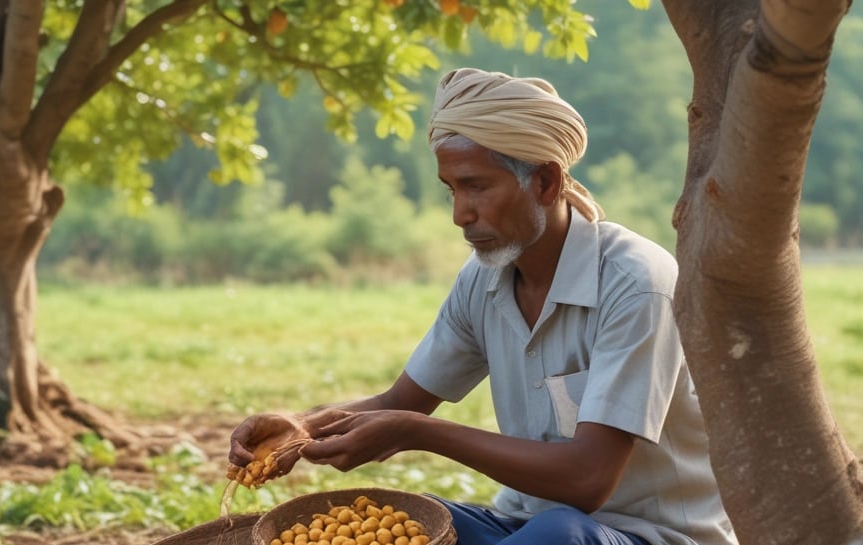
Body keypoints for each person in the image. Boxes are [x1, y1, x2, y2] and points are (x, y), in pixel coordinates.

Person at [229, 67, 738, 545]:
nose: (459, 214)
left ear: (545, 182)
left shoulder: (636, 281)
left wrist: (419, 433)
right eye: (451, 189)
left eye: (476, 186)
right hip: (523, 524)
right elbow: (400, 404)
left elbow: (586, 482)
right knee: (400, 514)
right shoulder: (484, 280)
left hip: (642, 534)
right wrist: (299, 427)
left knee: (558, 533)